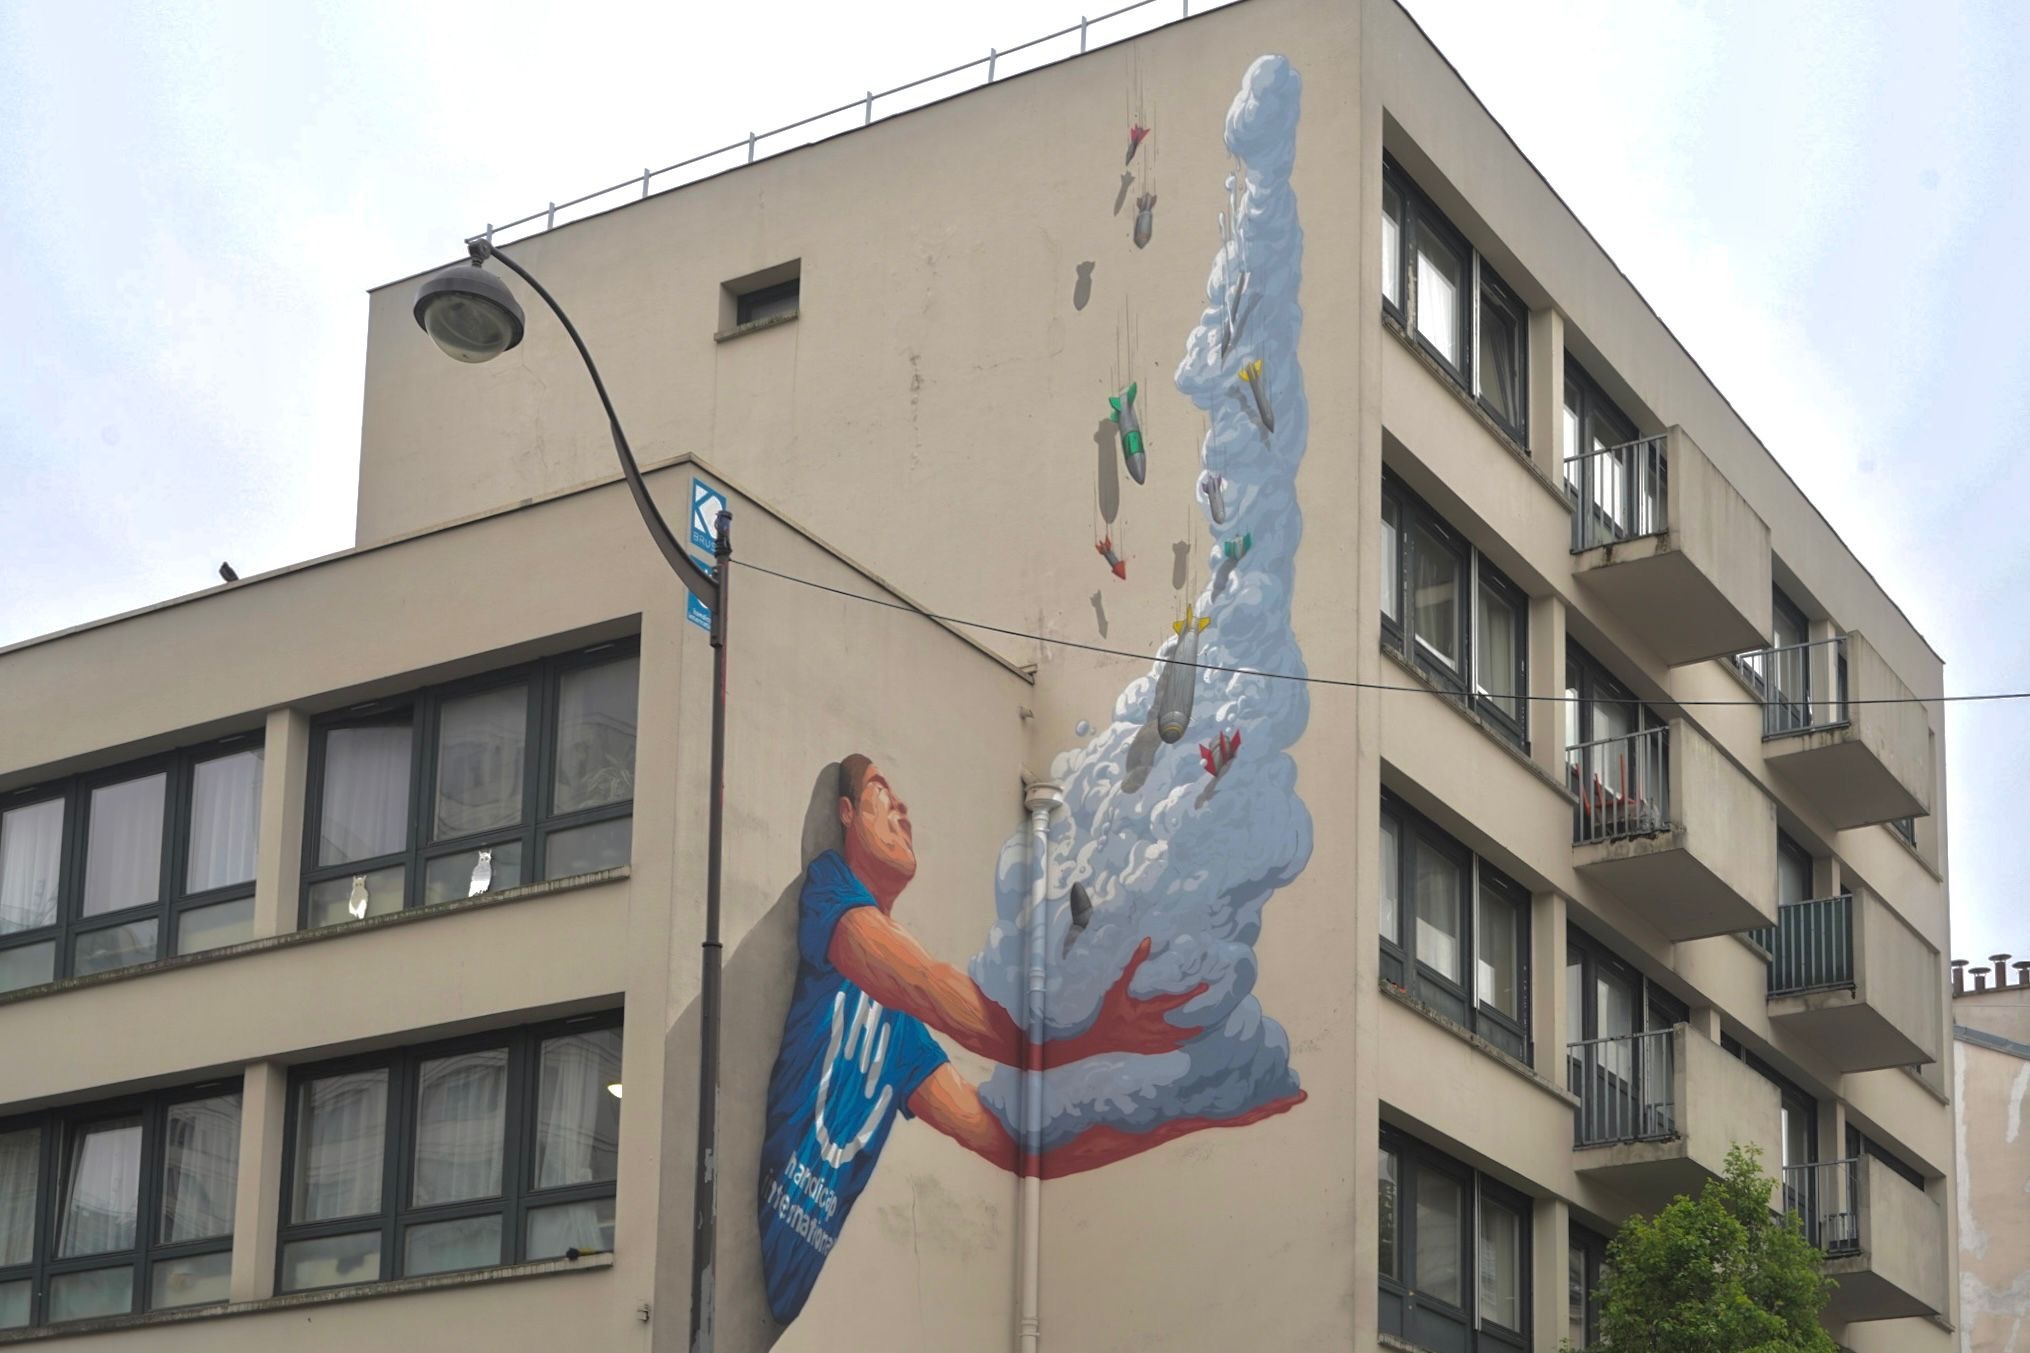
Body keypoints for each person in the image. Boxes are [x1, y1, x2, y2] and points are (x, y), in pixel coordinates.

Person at [757, 754, 1302, 1324]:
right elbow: (934, 990)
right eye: (880, 791)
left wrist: (1193, 1112)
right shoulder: (829, 890)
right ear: (846, 812)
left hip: (775, 1317)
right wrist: (1096, 1033)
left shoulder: (899, 1038)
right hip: (728, 1280)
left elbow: (1015, 1143)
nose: (902, 808)